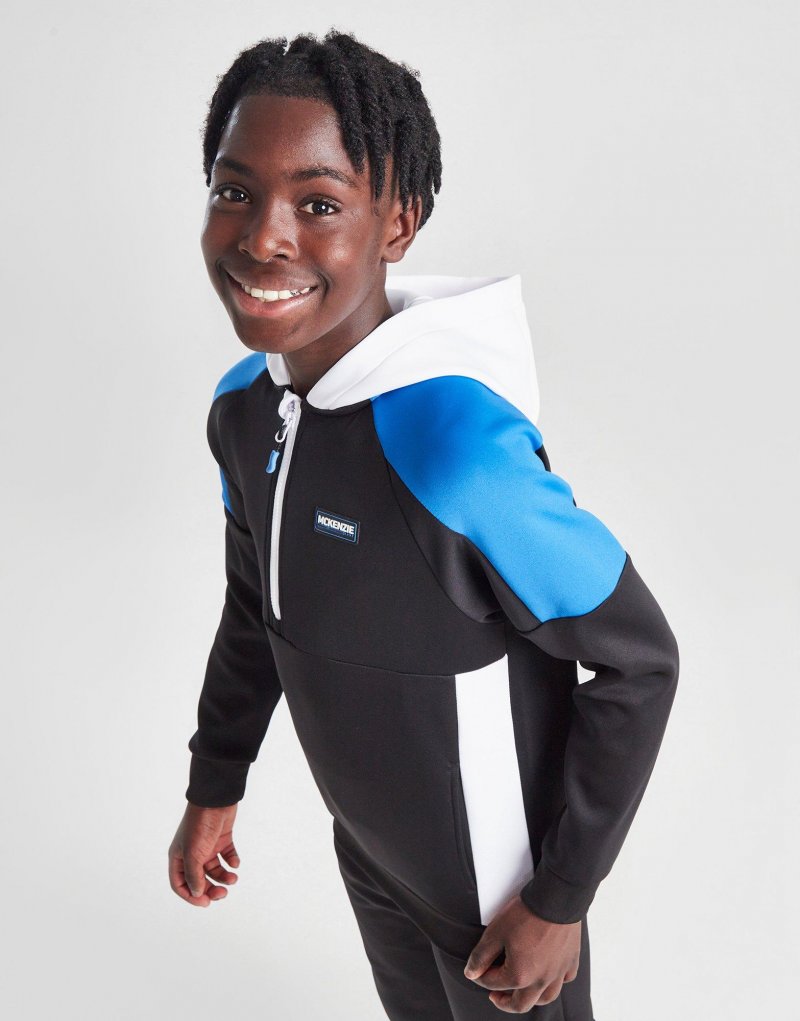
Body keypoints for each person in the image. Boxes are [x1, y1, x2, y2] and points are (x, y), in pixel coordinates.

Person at [167, 28, 680, 1021]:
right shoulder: (245, 408)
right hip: (371, 857)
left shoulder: (455, 448)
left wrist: (559, 896)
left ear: (396, 222)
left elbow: (640, 661)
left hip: (498, 901)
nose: (264, 238)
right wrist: (215, 778)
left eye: (319, 203)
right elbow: (255, 606)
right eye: (234, 191)